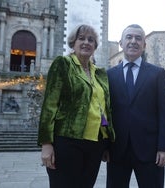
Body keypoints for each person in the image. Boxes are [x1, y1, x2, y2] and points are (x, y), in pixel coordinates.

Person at [37, 24, 115, 188]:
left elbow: (103, 110)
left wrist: (106, 142)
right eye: (82, 38)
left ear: (95, 46)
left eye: (91, 40)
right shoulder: (63, 64)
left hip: (96, 144)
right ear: (73, 42)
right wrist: (46, 144)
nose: (86, 42)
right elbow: (49, 106)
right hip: (67, 142)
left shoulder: (99, 73)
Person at [106, 24, 165, 188]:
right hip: (117, 151)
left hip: (150, 152)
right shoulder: (108, 75)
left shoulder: (157, 74)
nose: (133, 41)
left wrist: (164, 148)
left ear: (144, 44)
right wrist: (105, 145)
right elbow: (104, 114)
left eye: (138, 38)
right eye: (129, 37)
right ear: (121, 43)